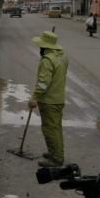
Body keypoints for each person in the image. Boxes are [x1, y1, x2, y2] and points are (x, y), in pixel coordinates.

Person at [28, 31, 69, 168]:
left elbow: (43, 83)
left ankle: (56, 159)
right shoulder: (62, 57)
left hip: (49, 101)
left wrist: (34, 98)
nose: (39, 48)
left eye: (40, 46)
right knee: (56, 128)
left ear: (45, 47)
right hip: (59, 99)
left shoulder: (47, 60)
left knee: (50, 129)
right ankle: (56, 153)